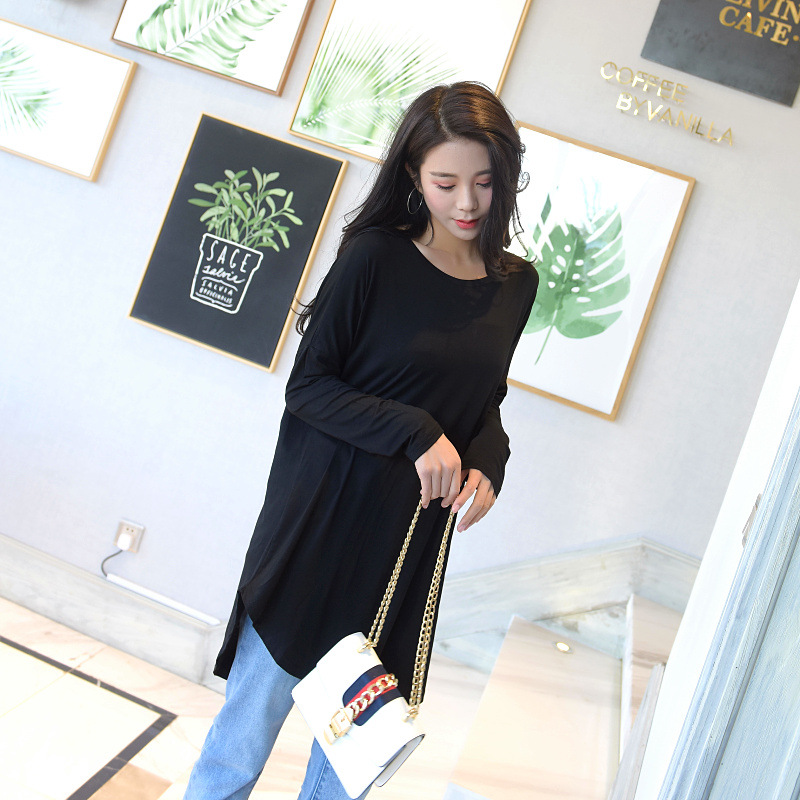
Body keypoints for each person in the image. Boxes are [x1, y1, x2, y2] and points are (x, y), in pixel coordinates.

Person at [183, 81, 539, 800]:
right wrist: (416, 432)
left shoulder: (514, 284)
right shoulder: (375, 256)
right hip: (320, 528)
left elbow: (486, 400)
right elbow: (309, 387)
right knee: (240, 751)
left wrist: (488, 460)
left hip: (406, 549)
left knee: (352, 764)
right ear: (413, 173)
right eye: (445, 183)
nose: (467, 203)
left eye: (484, 182)